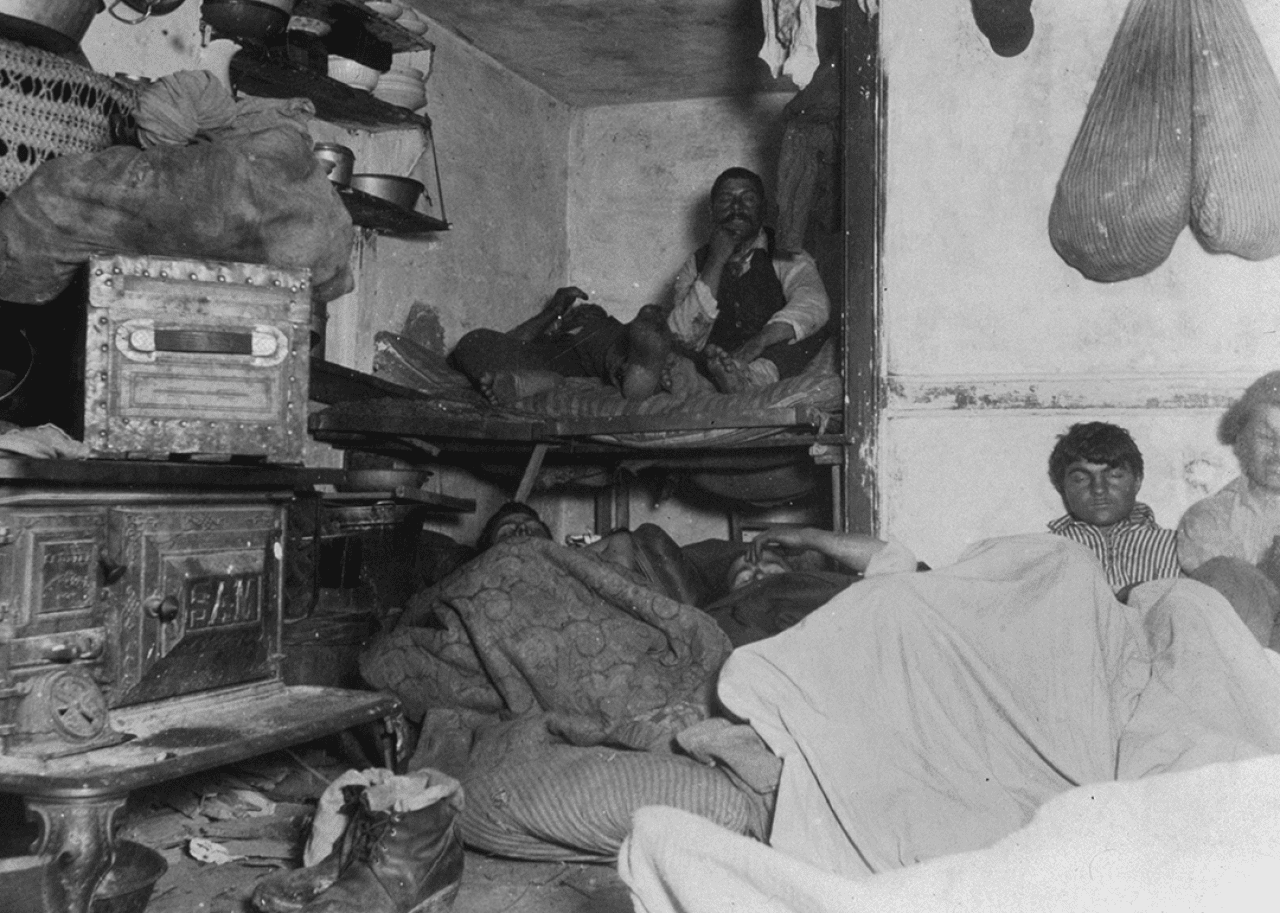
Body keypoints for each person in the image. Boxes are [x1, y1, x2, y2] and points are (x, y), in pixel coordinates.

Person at [661, 166, 832, 394]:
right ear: (712, 212)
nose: (736, 208)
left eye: (748, 199)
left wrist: (758, 343)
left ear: (763, 211)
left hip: (770, 355)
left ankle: (751, 379)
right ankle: (713, 382)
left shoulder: (784, 252)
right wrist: (716, 260)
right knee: (674, 344)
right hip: (721, 359)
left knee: (808, 330)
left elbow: (813, 301)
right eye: (725, 200)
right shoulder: (697, 262)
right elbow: (684, 334)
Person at [1177, 371, 1280, 649]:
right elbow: (1230, 608)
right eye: (1265, 436)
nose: (1278, 451)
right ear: (1241, 442)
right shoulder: (1208, 519)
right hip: (1246, 660)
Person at [449, 286, 676, 404]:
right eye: (578, 313)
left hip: (604, 344)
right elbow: (512, 342)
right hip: (558, 361)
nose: (584, 313)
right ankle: (641, 374)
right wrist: (553, 312)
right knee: (475, 340)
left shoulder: (609, 328)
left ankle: (639, 371)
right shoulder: (553, 334)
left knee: (614, 340)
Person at [1045, 421, 1180, 600]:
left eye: (1114, 475)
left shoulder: (1177, 547)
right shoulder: (1046, 551)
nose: (1098, 488)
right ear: (1062, 486)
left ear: (1137, 481)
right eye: (1081, 478)